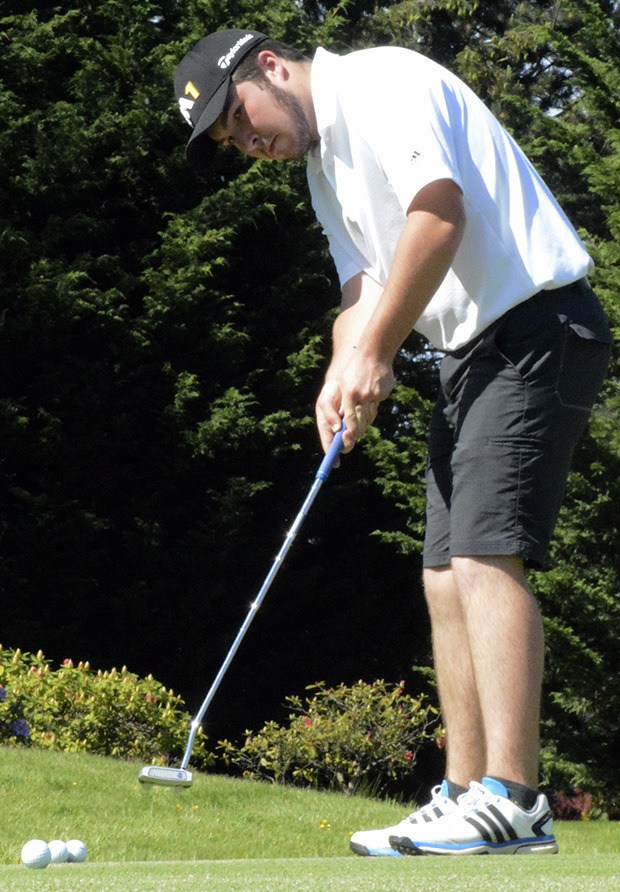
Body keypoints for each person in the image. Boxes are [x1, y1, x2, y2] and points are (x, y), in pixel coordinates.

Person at [172, 30, 612, 856]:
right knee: (443, 573)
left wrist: (378, 350)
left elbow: (437, 213)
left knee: (485, 555)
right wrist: (342, 371)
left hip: (538, 326)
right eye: (232, 143)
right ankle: (462, 793)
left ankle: (516, 798)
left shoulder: (379, 82)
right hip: (471, 353)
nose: (248, 143)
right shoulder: (320, 167)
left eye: (239, 118)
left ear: (268, 66)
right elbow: (360, 288)